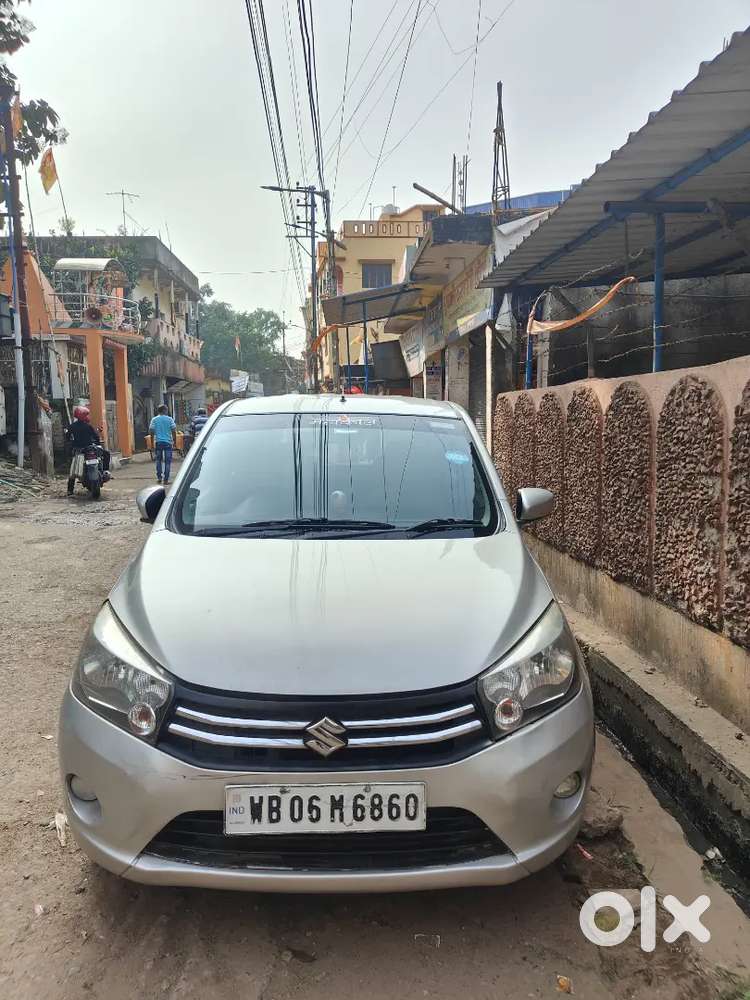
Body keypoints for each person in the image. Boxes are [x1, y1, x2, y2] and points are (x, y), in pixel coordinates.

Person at [66, 406, 110, 495]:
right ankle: (105, 470)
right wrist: (97, 443)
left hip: (78, 450)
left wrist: (72, 442)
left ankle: (70, 490)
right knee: (106, 453)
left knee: (73, 470)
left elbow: (67, 437)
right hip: (90, 449)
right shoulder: (88, 426)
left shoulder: (72, 427)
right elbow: (96, 437)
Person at [149, 404, 177, 485]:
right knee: (167, 462)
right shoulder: (170, 419)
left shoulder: (154, 419)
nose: (167, 411)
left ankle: (159, 478)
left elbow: (151, 431)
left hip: (158, 442)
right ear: (164, 410)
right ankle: (166, 479)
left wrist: (151, 443)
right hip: (168, 442)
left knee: (158, 460)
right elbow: (174, 430)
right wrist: (174, 441)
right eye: (166, 410)